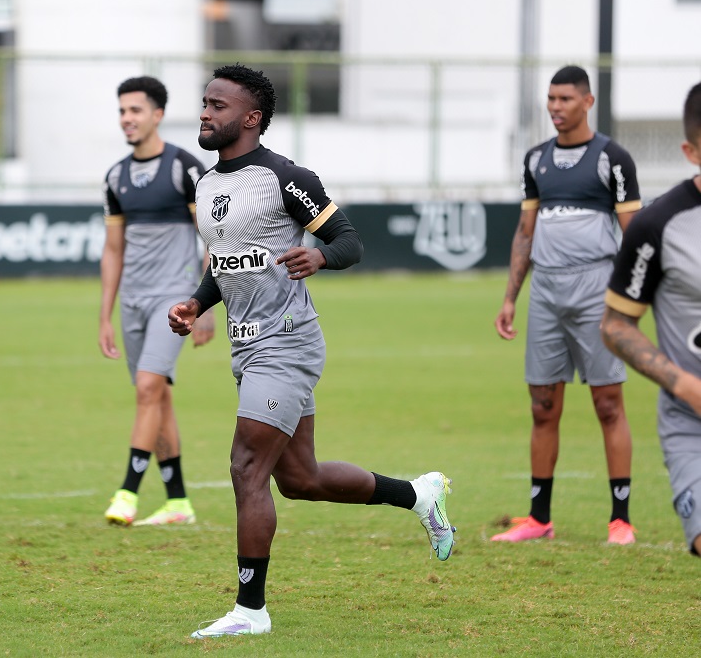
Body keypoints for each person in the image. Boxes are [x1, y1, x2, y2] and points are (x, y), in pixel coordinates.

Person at [167, 63, 456, 639]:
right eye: (204, 102)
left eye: (217, 105)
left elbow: (348, 240)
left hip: (288, 341)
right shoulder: (205, 185)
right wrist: (197, 305)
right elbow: (225, 265)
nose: (204, 112)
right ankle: (417, 494)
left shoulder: (284, 177)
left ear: (251, 119)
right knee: (299, 478)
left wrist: (320, 257)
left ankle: (251, 613)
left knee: (246, 466)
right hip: (246, 344)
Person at [492, 65, 642, 544]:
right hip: (548, 292)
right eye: (551, 99)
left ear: (587, 102)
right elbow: (526, 232)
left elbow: (634, 235)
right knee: (542, 405)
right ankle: (539, 518)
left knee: (608, 403)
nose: (556, 107)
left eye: (565, 99)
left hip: (597, 288)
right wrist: (511, 297)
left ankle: (620, 519)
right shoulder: (536, 160)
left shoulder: (612, 159)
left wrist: (630, 301)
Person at [99, 76, 214, 527]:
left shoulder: (184, 169)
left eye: (136, 110)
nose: (127, 119)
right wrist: (104, 317)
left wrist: (202, 306)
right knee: (157, 396)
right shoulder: (115, 177)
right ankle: (179, 503)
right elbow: (113, 250)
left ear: (158, 115)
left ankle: (127, 493)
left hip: (175, 300)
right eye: (122, 111)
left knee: (148, 388)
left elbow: (213, 240)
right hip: (132, 302)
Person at [601, 81, 701, 557]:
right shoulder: (657, 225)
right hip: (692, 422)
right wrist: (684, 385)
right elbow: (616, 326)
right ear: (691, 150)